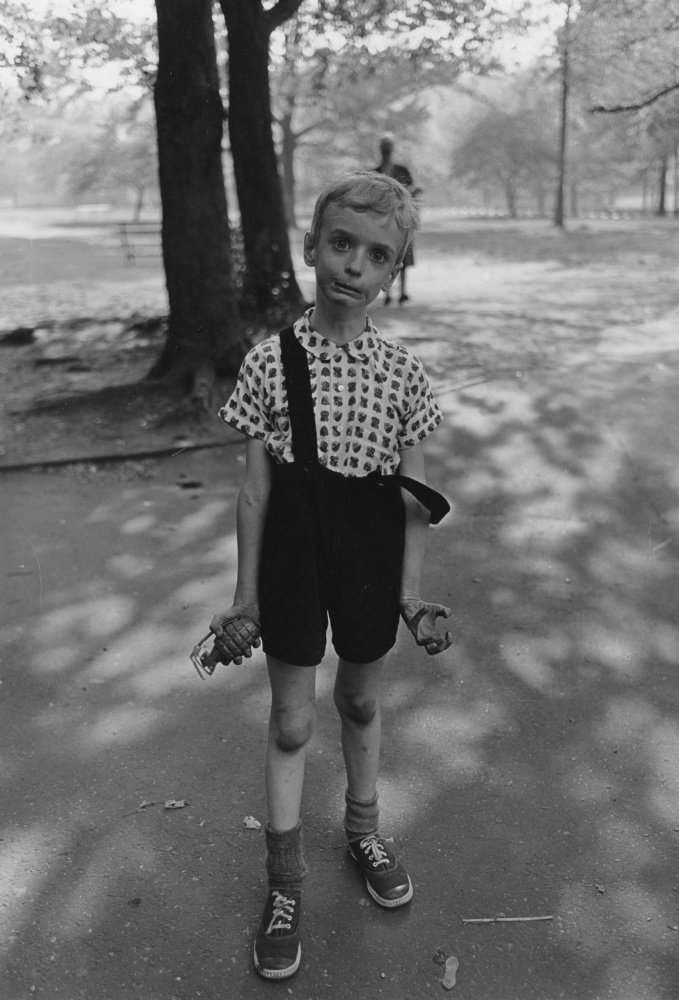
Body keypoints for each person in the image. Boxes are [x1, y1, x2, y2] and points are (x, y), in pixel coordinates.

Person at [210, 172, 453, 980]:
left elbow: (415, 501)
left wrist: (410, 597)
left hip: (368, 560)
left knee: (359, 701)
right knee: (291, 722)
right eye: (342, 243)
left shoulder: (405, 376)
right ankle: (284, 885)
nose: (355, 264)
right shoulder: (268, 363)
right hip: (292, 556)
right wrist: (244, 598)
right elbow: (255, 492)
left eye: (378, 255)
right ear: (312, 246)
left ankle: (363, 832)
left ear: (395, 271)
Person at [374, 135, 421, 304]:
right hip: (383, 223)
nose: (386, 151)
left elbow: (412, 192)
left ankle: (402, 292)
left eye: (387, 148)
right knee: (385, 257)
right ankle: (387, 293)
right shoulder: (375, 172)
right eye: (384, 148)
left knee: (402, 257)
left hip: (401, 220)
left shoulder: (401, 171)